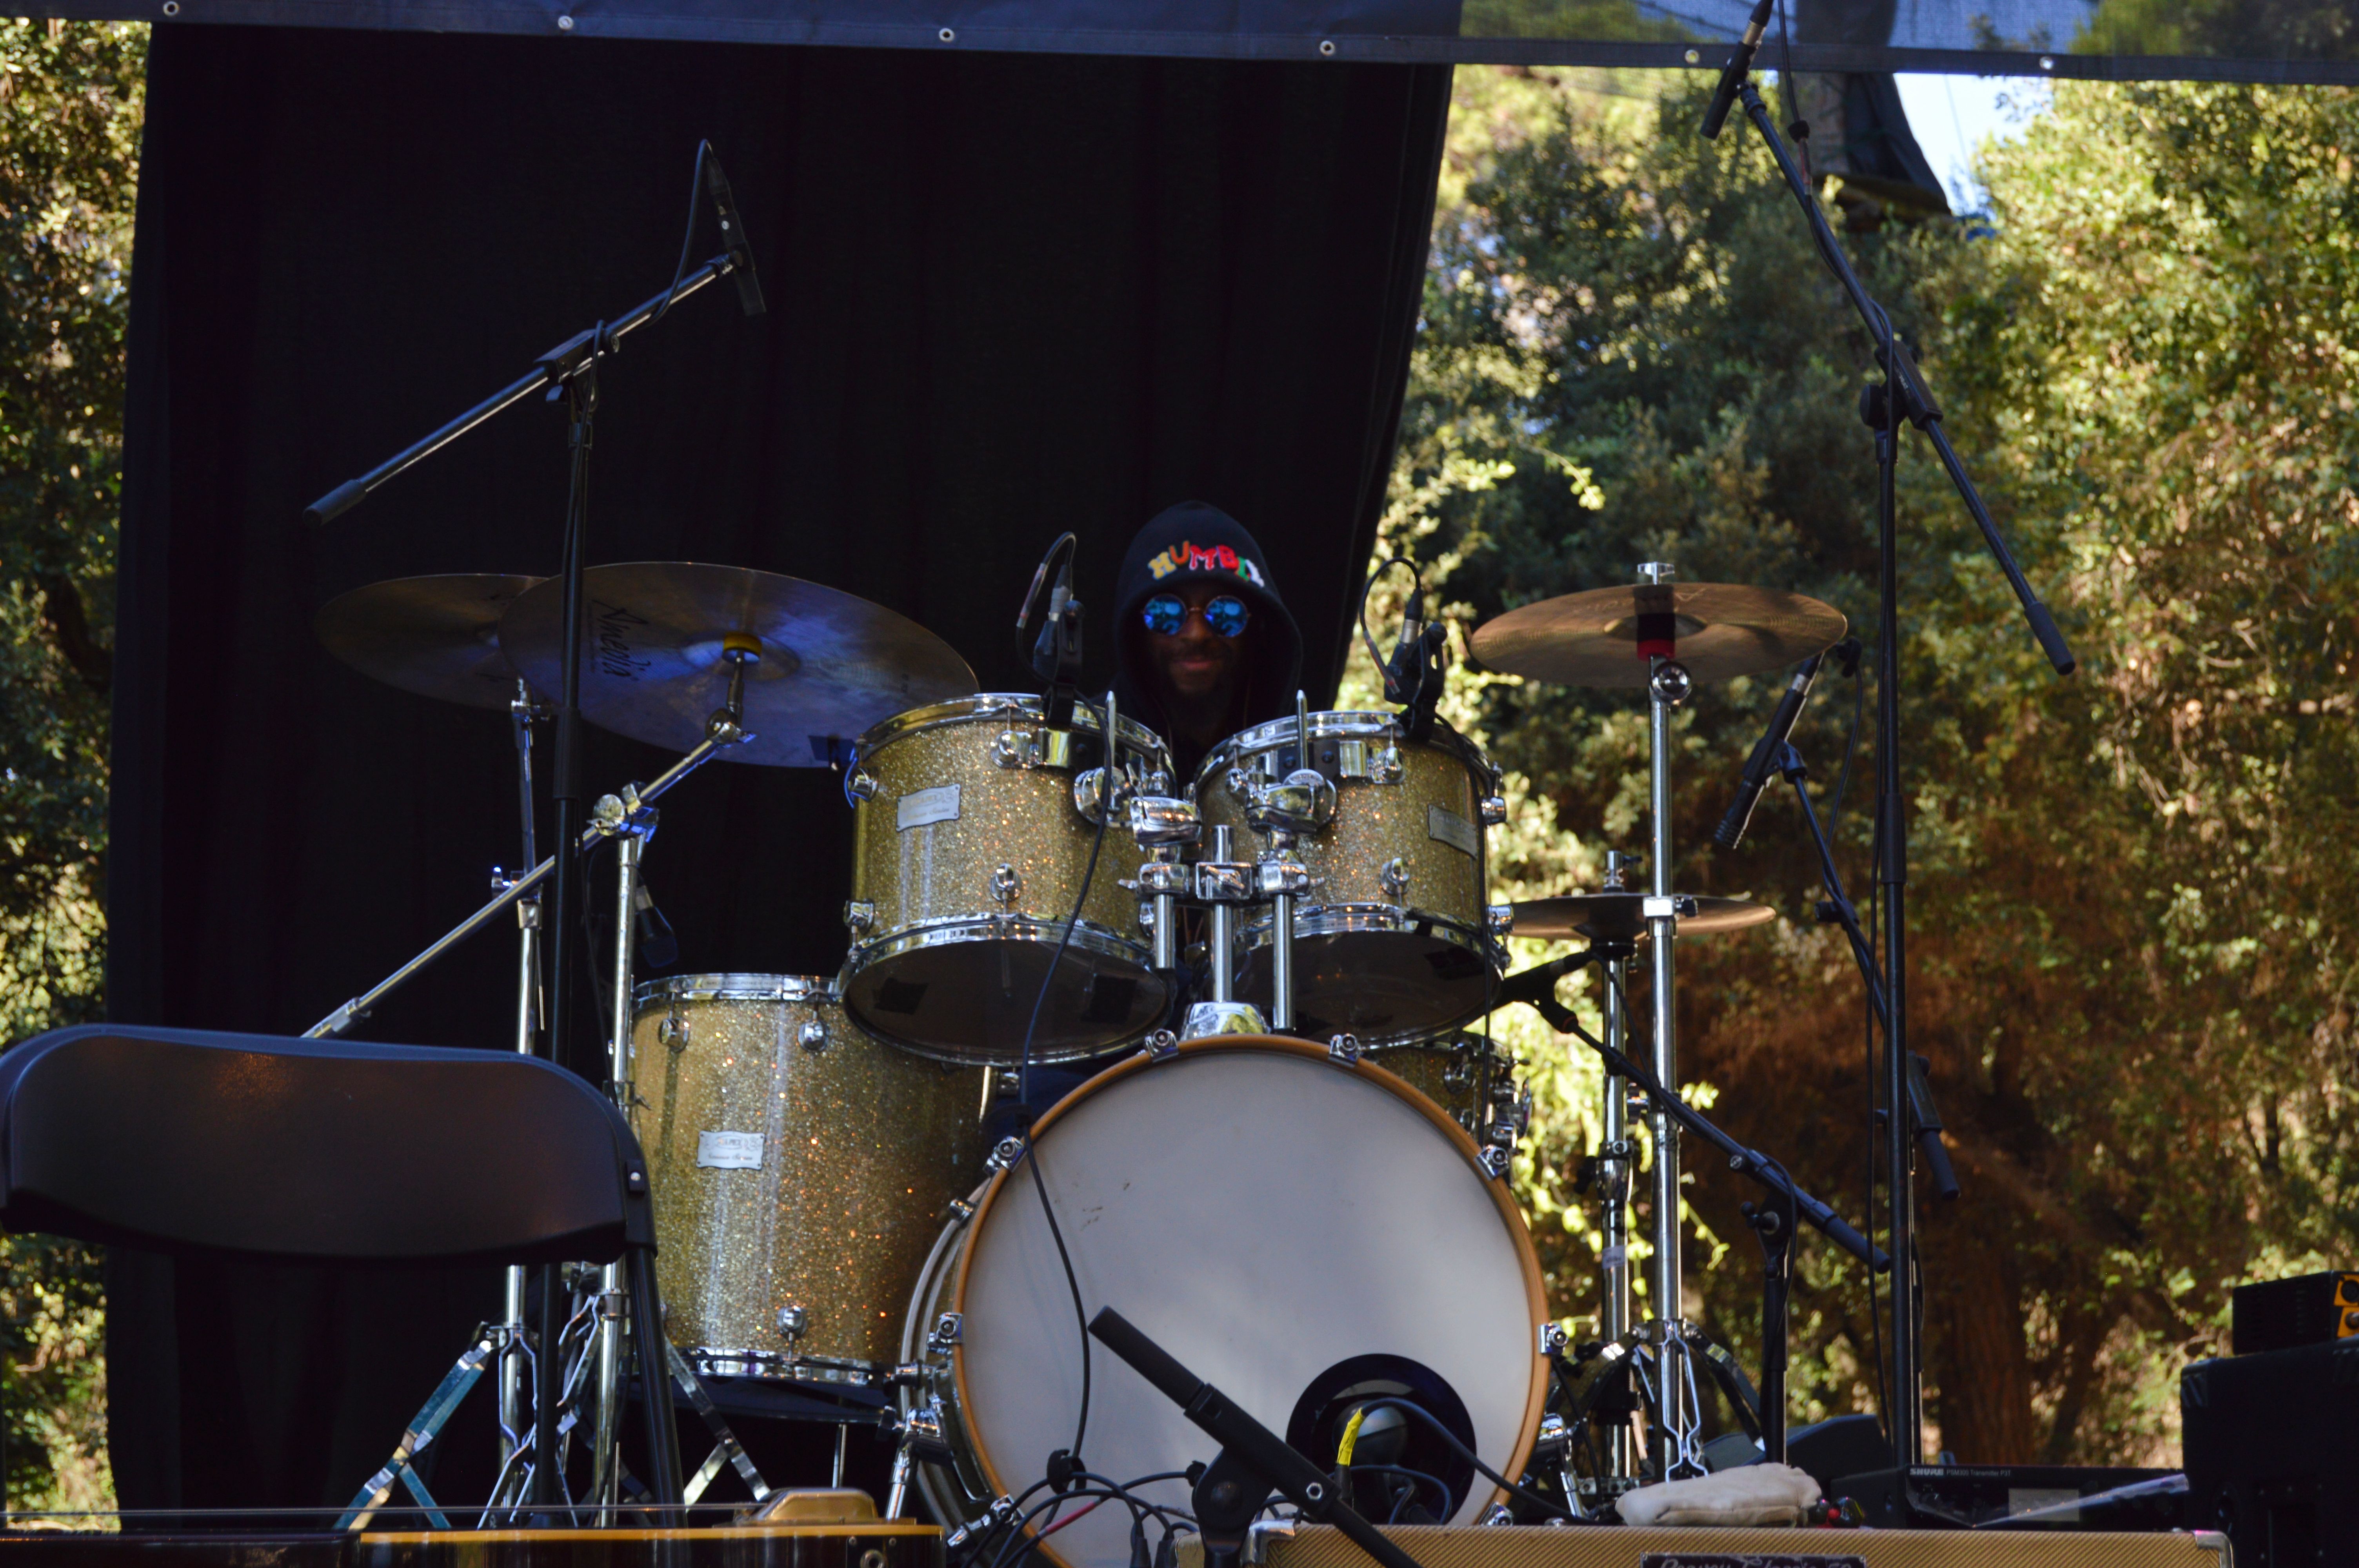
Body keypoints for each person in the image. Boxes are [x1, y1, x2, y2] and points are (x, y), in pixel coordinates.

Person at [1108, 500, 1302, 784]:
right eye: (1166, 612)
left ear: (1258, 627)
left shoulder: (1301, 763)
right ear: (1135, 631)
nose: (1196, 633)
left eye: (1226, 612)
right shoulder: (1087, 747)